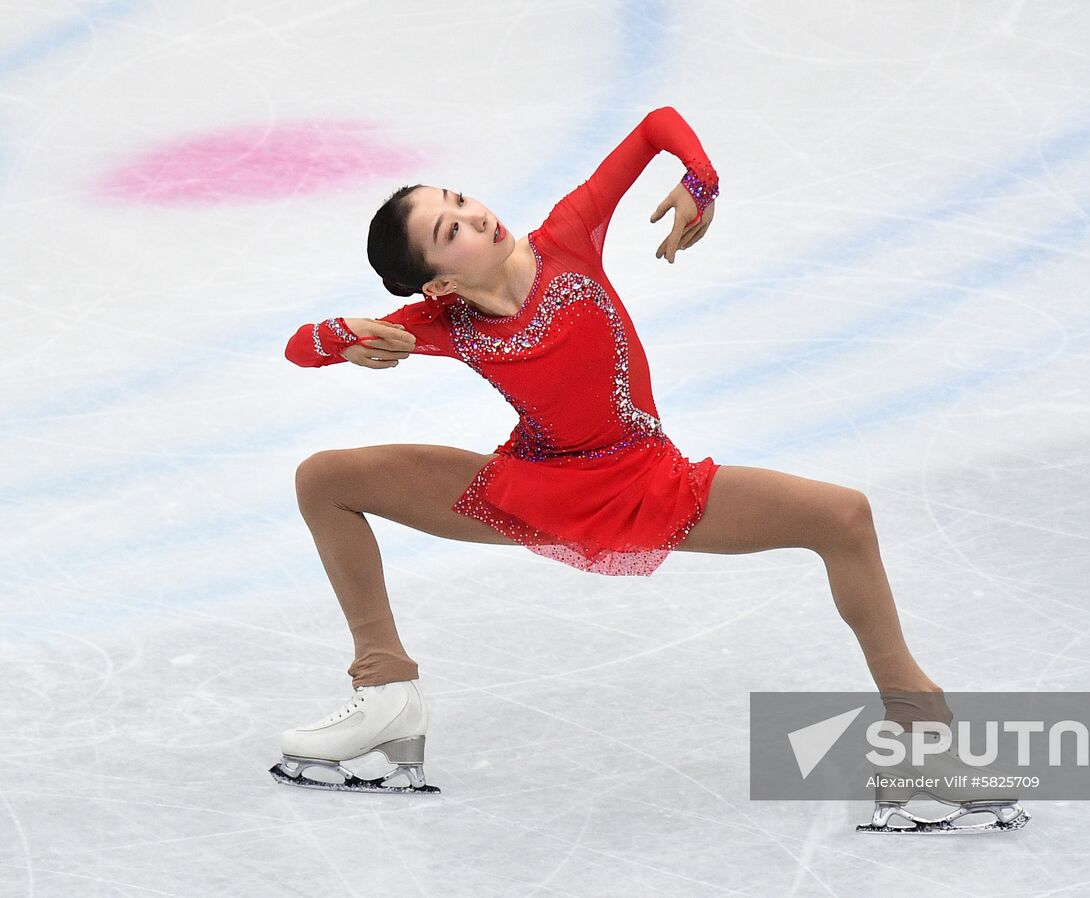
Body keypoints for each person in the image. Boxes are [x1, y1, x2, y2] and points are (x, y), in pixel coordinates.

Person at [271, 106, 1010, 831]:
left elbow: (657, 125)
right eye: (449, 231)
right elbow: (298, 349)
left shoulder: (566, 237)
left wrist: (701, 179)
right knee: (324, 480)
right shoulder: (441, 323)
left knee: (842, 516)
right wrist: (344, 334)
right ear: (435, 283)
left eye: (460, 202)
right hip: (534, 490)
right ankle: (386, 696)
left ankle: (922, 738)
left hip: (646, 485)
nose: (474, 218)